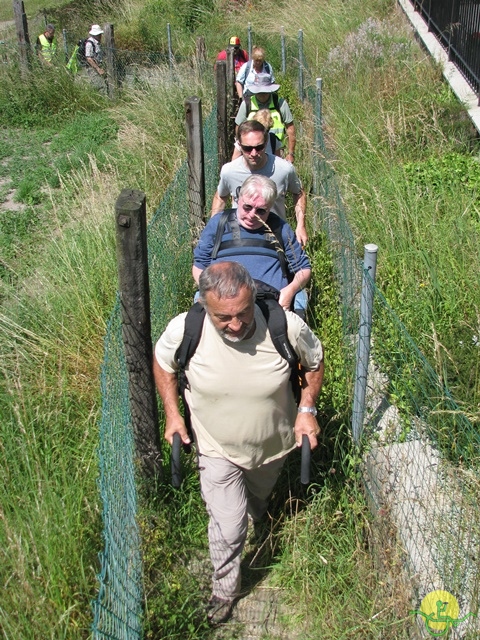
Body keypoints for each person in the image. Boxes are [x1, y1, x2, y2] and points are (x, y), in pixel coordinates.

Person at [153, 261, 324, 624]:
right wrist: (173, 413)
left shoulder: (284, 326)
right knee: (231, 524)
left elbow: (314, 361)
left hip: (272, 446)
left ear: (253, 300)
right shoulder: (187, 328)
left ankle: (255, 510)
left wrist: (306, 408)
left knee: (256, 504)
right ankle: (224, 590)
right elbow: (163, 363)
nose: (236, 324)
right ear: (204, 306)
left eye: (243, 313)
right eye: (224, 318)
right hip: (215, 447)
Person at [194, 175, 310, 315]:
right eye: (247, 207)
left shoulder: (280, 228)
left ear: (270, 208)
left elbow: (303, 269)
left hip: (271, 305)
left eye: (261, 211)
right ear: (238, 199)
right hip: (224, 303)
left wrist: (289, 291)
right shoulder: (219, 224)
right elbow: (199, 265)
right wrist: (211, 292)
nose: (252, 215)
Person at [211, 120, 308, 246]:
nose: (253, 153)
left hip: (275, 236)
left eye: (259, 147)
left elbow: (299, 193)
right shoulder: (229, 171)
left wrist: (301, 225)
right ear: (239, 145)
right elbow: (221, 196)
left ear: (266, 143)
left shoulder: (284, 169)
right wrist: (213, 227)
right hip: (240, 238)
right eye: (247, 148)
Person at [235, 73, 297, 163]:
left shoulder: (279, 103)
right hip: (253, 151)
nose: (262, 94)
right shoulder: (247, 104)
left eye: (265, 91)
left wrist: (291, 154)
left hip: (277, 150)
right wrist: (242, 149)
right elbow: (238, 128)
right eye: (259, 91)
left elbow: (290, 129)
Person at [84, 24, 106, 89]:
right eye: (99, 34)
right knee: (99, 86)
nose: (100, 36)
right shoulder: (89, 44)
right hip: (92, 68)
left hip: (99, 66)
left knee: (101, 85)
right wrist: (98, 69)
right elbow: (89, 58)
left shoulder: (97, 43)